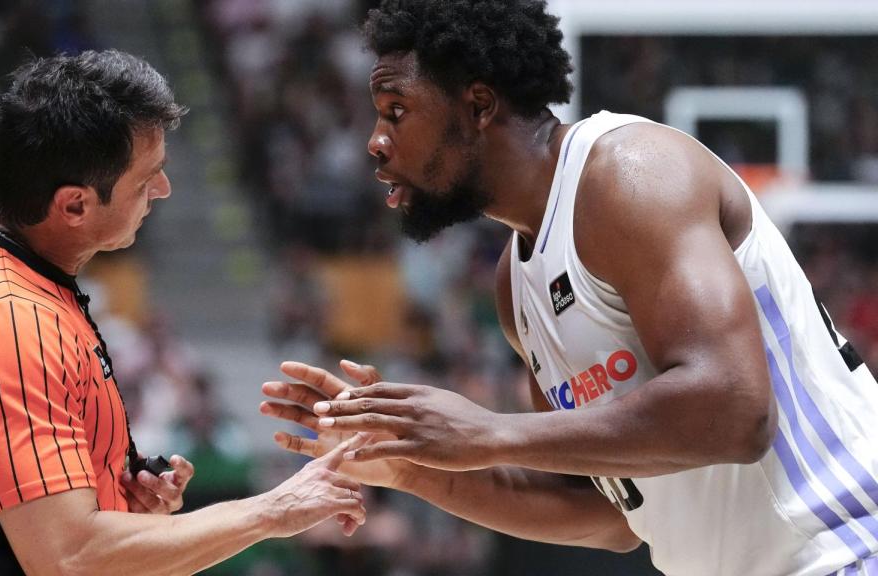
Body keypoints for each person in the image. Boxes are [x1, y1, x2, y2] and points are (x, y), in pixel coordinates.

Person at [259, 2, 878, 575]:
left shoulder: (629, 174)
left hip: (847, 547)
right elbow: (610, 515)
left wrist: (487, 432)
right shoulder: (516, 283)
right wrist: (412, 464)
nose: (375, 141)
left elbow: (735, 412)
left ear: (478, 106)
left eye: (396, 110)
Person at [0, 49, 368, 576]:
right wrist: (276, 509)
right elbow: (69, 556)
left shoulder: (9, 274)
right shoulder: (7, 317)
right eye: (147, 179)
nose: (163, 189)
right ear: (74, 206)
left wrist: (119, 503)